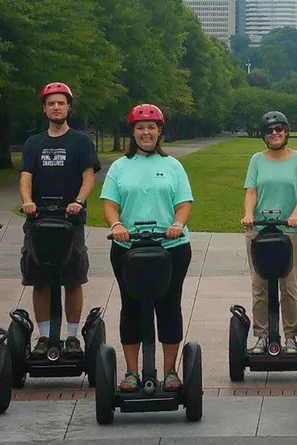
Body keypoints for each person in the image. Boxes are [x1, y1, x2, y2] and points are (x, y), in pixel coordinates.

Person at [101, 104, 194, 392]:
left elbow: (184, 204)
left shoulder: (172, 166)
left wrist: (177, 223)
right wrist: (116, 225)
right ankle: (131, 372)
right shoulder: (120, 167)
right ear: (132, 132)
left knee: (168, 306)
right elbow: (109, 204)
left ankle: (169, 372)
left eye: (151, 127)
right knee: (131, 307)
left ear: (159, 131)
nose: (146, 132)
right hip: (128, 248)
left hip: (171, 247)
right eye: (140, 127)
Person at [19, 82, 100, 359]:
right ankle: (43, 336)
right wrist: (27, 202)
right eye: (51, 103)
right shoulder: (33, 143)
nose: (56, 107)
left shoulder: (81, 141)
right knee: (39, 279)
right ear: (44, 109)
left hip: (70, 221)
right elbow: (25, 177)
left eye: (61, 103)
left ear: (69, 107)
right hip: (38, 220)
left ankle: (72, 336)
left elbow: (89, 177)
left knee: (73, 278)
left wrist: (78, 201)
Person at [240, 111, 297, 355]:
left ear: (287, 130)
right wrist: (249, 215)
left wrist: (295, 215)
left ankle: (291, 336)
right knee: (259, 285)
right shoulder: (257, 160)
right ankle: (262, 336)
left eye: (279, 128)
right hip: (260, 230)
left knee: (289, 285)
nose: (275, 133)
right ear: (264, 135)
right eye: (270, 130)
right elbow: (251, 191)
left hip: (289, 229)